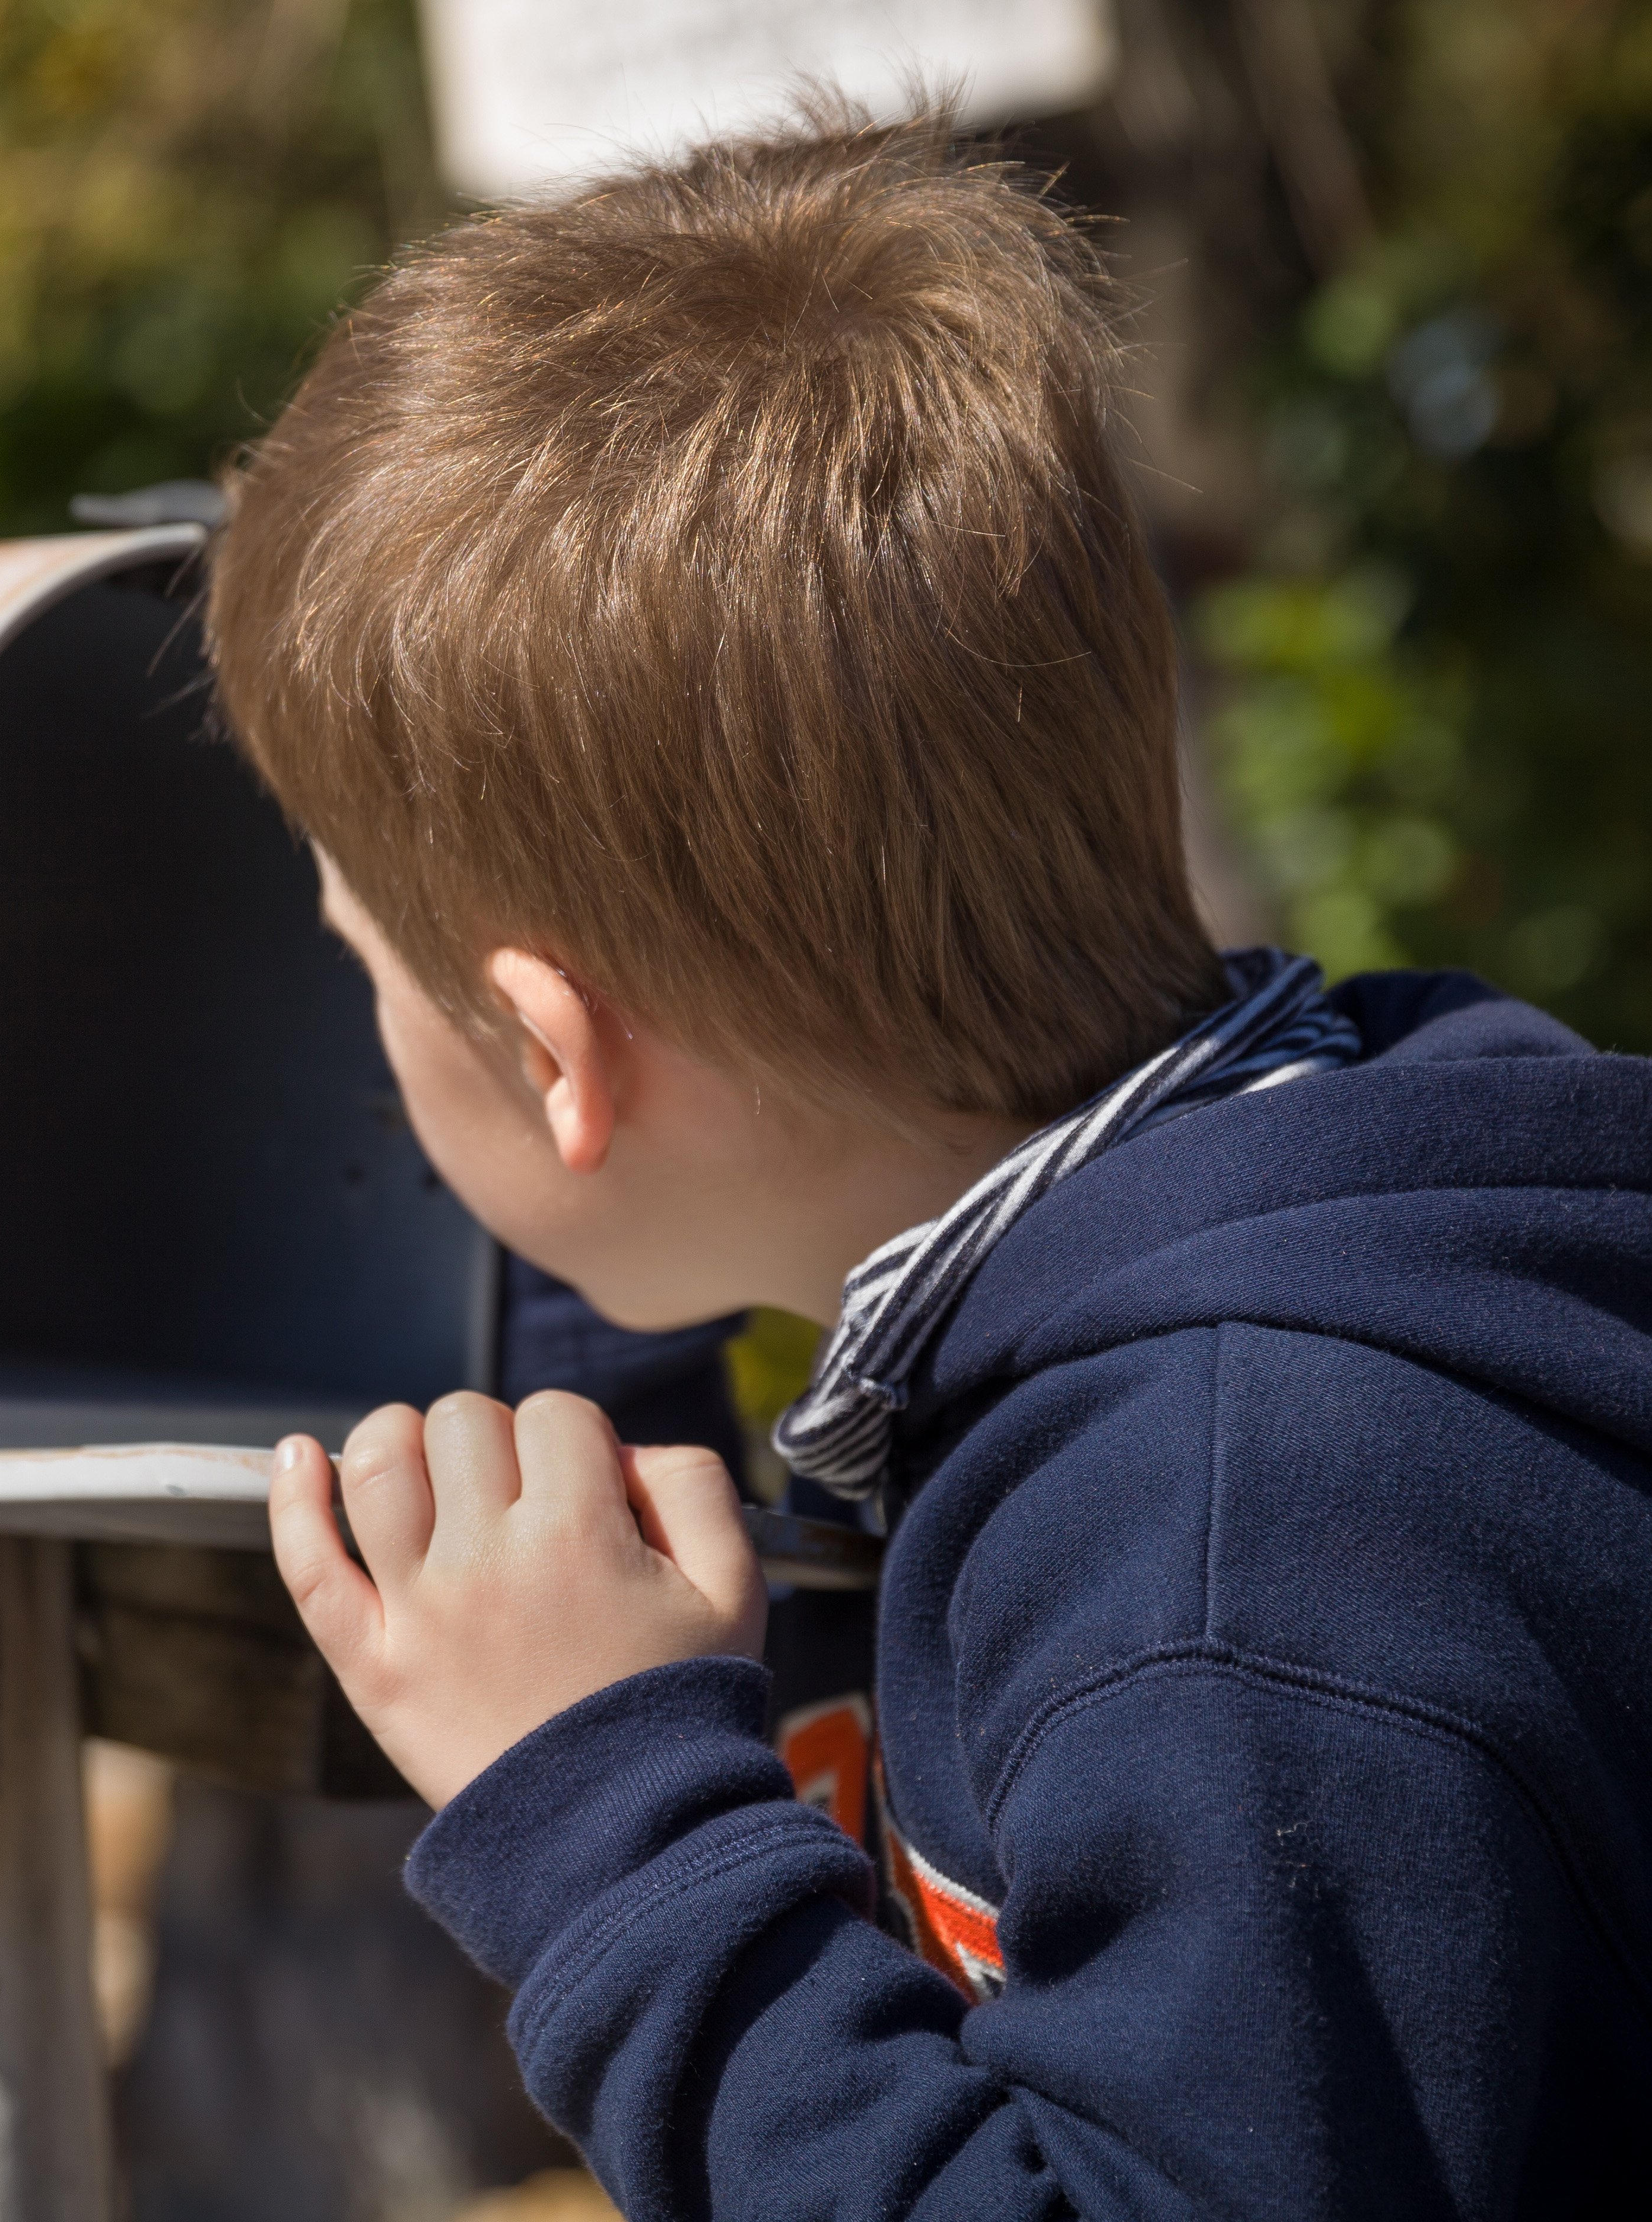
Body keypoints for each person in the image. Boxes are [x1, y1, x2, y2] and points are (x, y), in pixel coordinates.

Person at [204, 106, 1652, 2218]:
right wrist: (586, 1378)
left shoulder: (1228, 1572)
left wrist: (601, 1818)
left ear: (544, 1053)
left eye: (362, 970)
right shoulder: (1294, 1252)